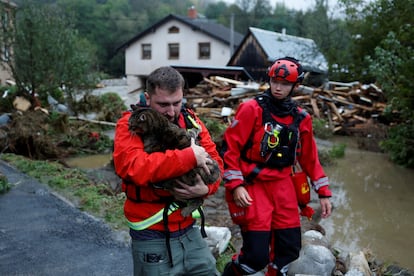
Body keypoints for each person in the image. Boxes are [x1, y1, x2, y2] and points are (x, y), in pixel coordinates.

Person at [220, 57, 332, 276]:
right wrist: (236, 185)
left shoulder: (301, 118)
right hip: (254, 184)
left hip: (283, 186)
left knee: (289, 251)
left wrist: (324, 192)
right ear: (269, 80)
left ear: (295, 86)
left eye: (285, 84)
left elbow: (310, 159)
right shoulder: (251, 109)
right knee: (255, 256)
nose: (278, 88)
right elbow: (229, 150)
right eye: (275, 82)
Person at [113, 66, 224, 275]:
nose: (172, 112)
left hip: (188, 229)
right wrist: (190, 157)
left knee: (209, 270)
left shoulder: (192, 121)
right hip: (151, 232)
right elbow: (133, 167)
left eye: (177, 103)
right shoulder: (131, 125)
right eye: (163, 104)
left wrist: (205, 190)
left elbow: (217, 163)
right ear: (148, 97)